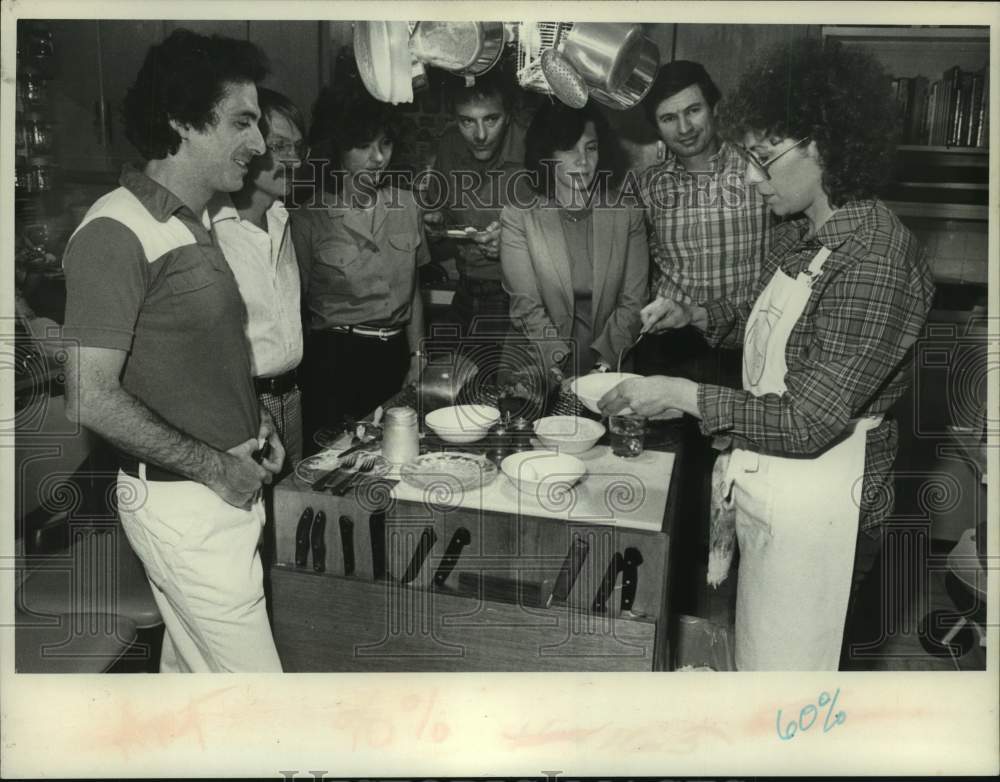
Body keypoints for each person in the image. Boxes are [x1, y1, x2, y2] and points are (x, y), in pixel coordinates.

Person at [601, 38, 935, 671]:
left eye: (763, 159)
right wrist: (696, 314)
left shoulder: (875, 260)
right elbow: (756, 316)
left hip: (827, 510)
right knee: (763, 659)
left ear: (824, 145)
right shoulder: (803, 234)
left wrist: (676, 393)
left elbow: (807, 420)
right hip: (780, 491)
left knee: (808, 680)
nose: (751, 179)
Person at [61, 29, 285, 672]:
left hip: (221, 496)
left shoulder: (195, 219)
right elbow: (91, 397)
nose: (260, 145)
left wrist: (253, 420)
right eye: (243, 122)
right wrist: (218, 468)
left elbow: (195, 357)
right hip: (183, 506)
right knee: (264, 709)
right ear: (183, 120)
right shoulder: (115, 230)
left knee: (194, 689)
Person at [292, 88, 429, 449]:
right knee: (336, 463)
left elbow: (414, 289)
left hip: (396, 357)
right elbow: (297, 309)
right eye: (363, 145)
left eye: (385, 143)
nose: (378, 158)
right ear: (337, 148)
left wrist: (418, 357)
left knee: (395, 458)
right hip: (336, 360)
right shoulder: (309, 218)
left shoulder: (407, 204)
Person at [637, 60, 772, 386]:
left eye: (693, 110)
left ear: (713, 108)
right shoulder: (647, 188)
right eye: (669, 118)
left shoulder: (759, 171)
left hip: (747, 347)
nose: (684, 128)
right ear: (656, 127)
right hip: (669, 351)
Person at [500, 102, 648, 389]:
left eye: (591, 148)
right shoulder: (519, 216)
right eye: (569, 148)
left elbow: (633, 303)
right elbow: (526, 305)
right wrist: (555, 367)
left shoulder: (628, 213)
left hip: (611, 361)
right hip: (536, 362)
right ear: (547, 155)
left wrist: (601, 370)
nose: (582, 161)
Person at [210, 87, 307, 468]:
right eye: (279, 146)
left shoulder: (283, 219)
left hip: (294, 397)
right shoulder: (212, 230)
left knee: (289, 513)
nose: (295, 160)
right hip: (241, 403)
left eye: (298, 147)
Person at [425, 71, 533, 345]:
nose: (480, 135)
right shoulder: (449, 146)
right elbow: (439, 235)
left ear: (509, 115)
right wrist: (434, 225)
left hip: (521, 297)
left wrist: (513, 244)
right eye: (467, 122)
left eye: (491, 119)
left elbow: (569, 236)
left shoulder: (536, 149)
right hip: (465, 289)